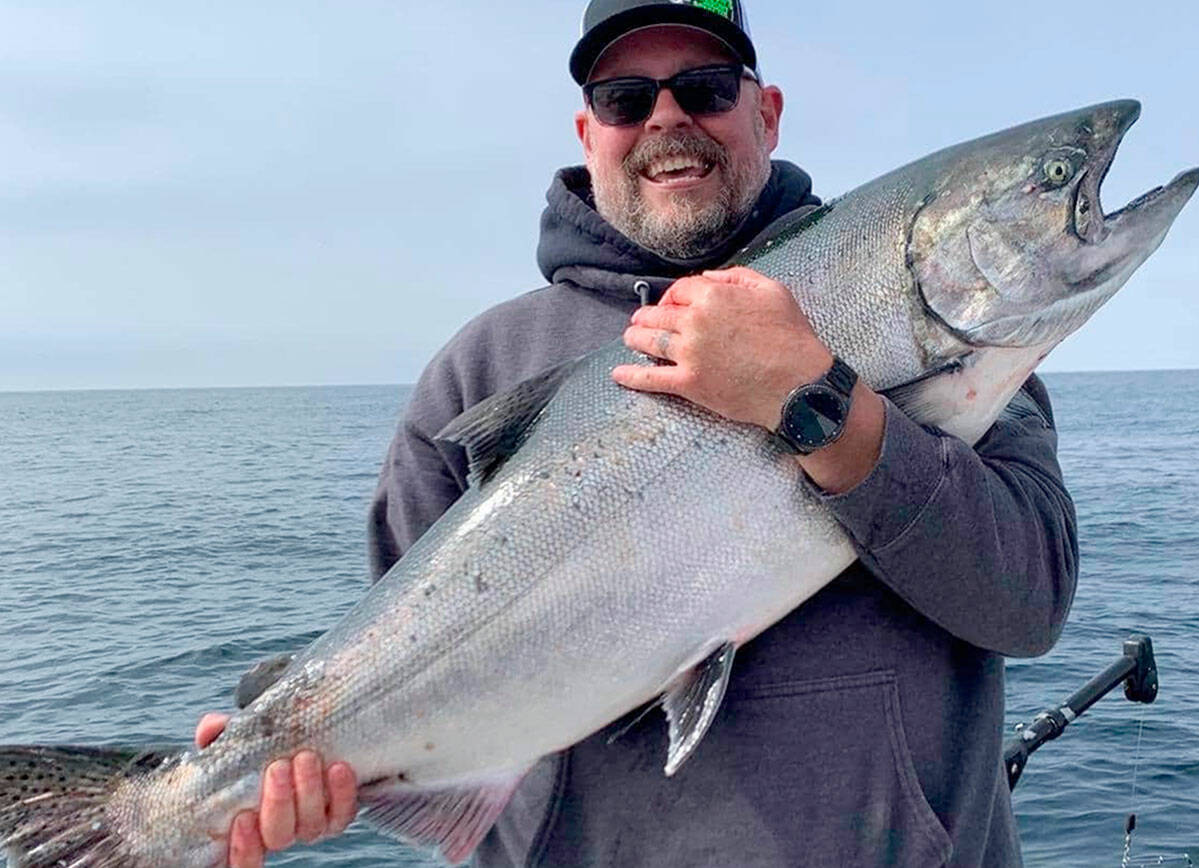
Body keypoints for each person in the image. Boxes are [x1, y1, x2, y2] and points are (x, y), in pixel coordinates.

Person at [197, 1, 1078, 864]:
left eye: (704, 88)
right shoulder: (482, 367)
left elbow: (1027, 602)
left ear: (765, 114)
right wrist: (295, 767)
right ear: (589, 133)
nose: (668, 119)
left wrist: (821, 401)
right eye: (627, 99)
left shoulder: (966, 353)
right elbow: (405, 654)